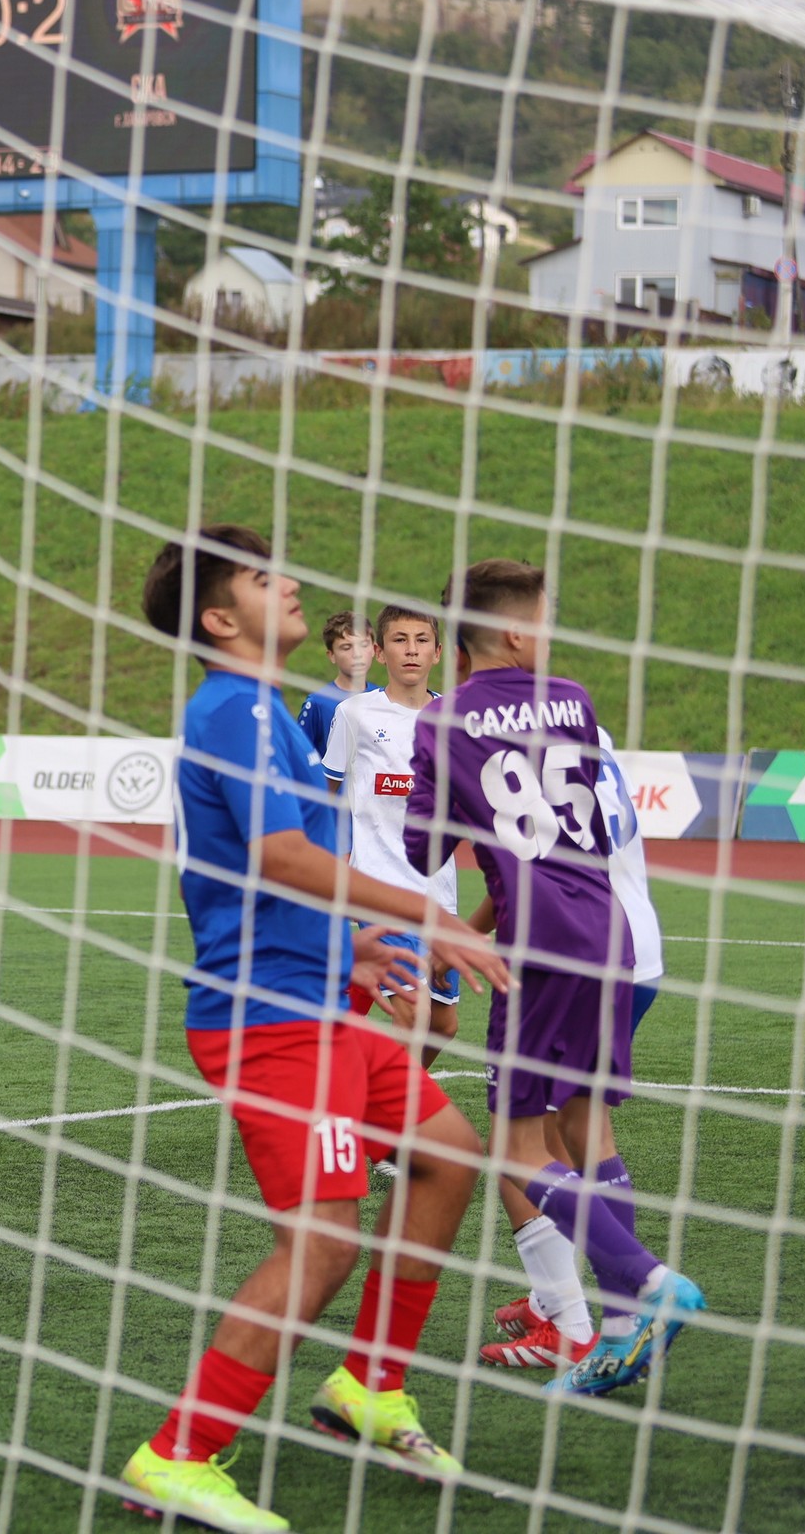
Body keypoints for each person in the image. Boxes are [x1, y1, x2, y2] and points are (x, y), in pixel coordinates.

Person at [117, 525, 511, 1534]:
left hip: (321, 999)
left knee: (448, 1157)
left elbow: (267, 880)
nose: (290, 582)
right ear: (219, 618)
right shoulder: (232, 708)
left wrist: (355, 956)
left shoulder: (275, 716)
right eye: (262, 577)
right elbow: (282, 857)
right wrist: (421, 915)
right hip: (272, 1026)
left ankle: (369, 1386)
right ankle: (180, 1453)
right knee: (325, 1241)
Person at [404, 559, 704, 1396]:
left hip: (535, 944)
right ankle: (615, 1332)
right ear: (517, 631)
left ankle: (646, 1282)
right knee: (587, 1129)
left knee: (515, 1145)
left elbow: (423, 849)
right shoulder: (572, 698)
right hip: (611, 930)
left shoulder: (441, 720)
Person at [480, 735, 671, 1373]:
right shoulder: (587, 724)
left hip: (569, 949)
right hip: (634, 943)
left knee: (517, 1142)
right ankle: (578, 1305)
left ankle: (584, 1316)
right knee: (576, 1127)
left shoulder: (497, 731)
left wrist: (454, 931)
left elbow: (514, 862)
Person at [323, 605, 461, 1058]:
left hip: (438, 891)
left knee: (443, 1022)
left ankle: (395, 1094)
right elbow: (327, 794)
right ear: (380, 652)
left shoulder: (458, 721)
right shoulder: (354, 713)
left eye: (422, 640)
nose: (412, 650)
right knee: (412, 1011)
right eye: (400, 640)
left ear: (438, 652)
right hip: (378, 884)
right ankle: (389, 1118)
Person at [295, 609, 374, 761]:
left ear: (374, 649)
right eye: (346, 647)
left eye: (364, 645)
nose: (357, 654)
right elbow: (300, 758)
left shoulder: (383, 697)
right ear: (331, 655)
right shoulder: (317, 703)